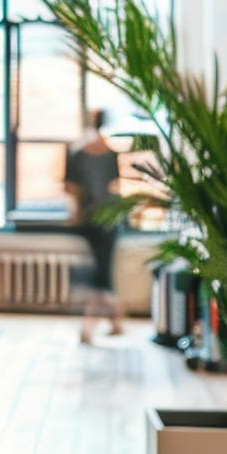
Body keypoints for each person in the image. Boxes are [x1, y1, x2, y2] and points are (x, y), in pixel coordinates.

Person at [65, 109, 125, 344]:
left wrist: (78, 209)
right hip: (109, 219)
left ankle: (90, 325)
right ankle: (113, 321)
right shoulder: (110, 154)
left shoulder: (79, 152)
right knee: (103, 270)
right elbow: (114, 185)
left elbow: (71, 187)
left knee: (100, 272)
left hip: (91, 219)